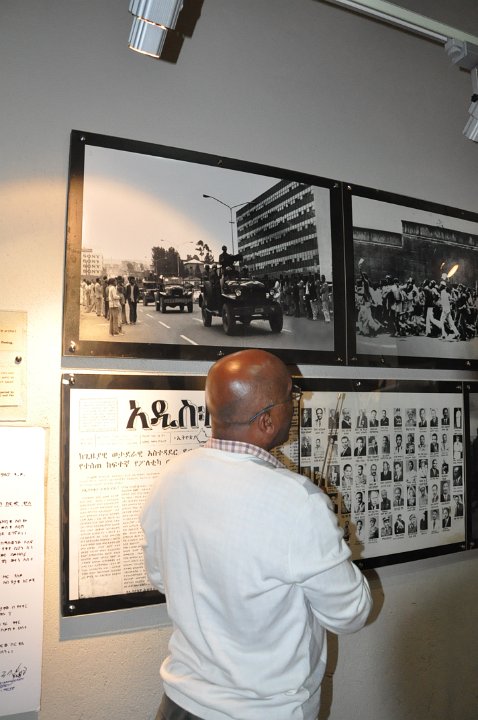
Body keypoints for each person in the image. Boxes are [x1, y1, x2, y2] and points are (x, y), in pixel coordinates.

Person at [140, 349, 372, 720]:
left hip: (179, 705)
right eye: (291, 396)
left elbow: (160, 578)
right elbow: (351, 613)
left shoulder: (171, 476)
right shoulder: (298, 501)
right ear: (266, 421)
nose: (297, 403)